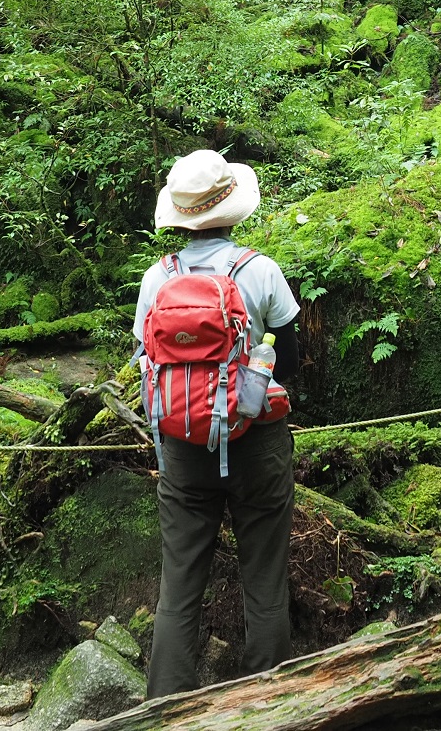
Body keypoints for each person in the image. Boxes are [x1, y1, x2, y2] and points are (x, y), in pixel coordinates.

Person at [133, 149, 302, 698]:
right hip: (257, 442)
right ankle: (267, 705)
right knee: (266, 583)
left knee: (179, 589)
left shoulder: (157, 278)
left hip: (182, 447)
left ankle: (165, 710)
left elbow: (146, 359)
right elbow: (290, 361)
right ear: (231, 209)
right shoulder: (260, 270)